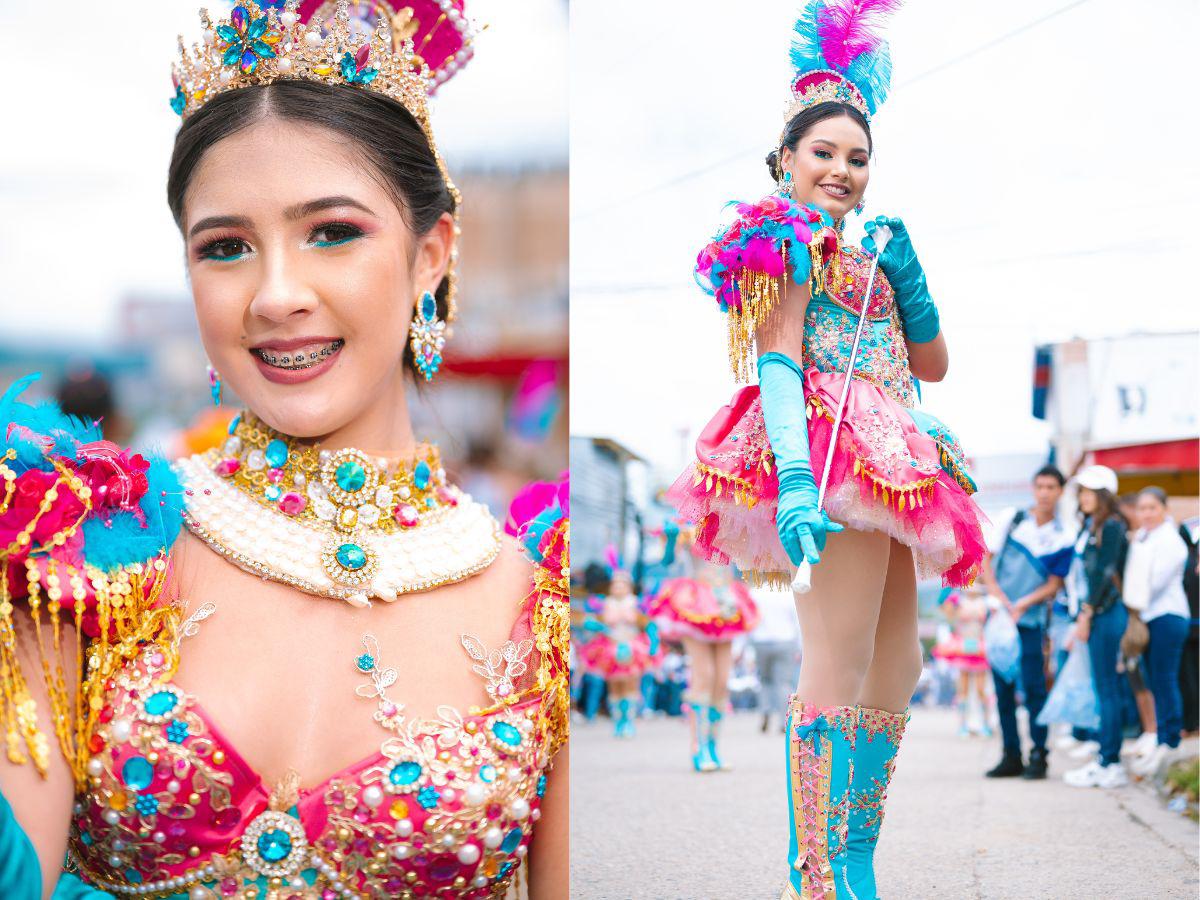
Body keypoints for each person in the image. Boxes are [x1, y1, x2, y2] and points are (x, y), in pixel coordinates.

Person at [0, 3, 569, 897]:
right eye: (225, 247)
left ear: (430, 257)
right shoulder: (77, 554)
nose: (274, 295)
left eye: (332, 232)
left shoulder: (540, 606)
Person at [665, 2, 987, 894]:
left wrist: (910, 280)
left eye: (857, 157)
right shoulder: (781, 240)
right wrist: (799, 482)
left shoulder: (876, 250)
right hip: (829, 452)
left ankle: (855, 858)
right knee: (836, 660)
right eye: (824, 153)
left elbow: (934, 366)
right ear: (785, 159)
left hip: (895, 450)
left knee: (902, 662)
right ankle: (815, 875)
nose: (842, 169)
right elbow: (775, 362)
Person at [981, 464, 1074, 780]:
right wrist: (1002, 601)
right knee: (1003, 690)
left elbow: (1054, 583)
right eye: (1040, 486)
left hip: (1031, 622)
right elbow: (986, 562)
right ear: (1033, 488)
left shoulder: (1063, 536)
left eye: (1051, 487)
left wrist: (1022, 604)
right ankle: (1010, 755)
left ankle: (1039, 755)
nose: (1045, 493)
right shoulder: (1013, 519)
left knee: (1035, 690)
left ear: (1060, 492)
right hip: (999, 619)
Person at [646, 552, 759, 773]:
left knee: (721, 681)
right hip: (696, 601)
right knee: (704, 676)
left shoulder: (734, 522)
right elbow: (669, 560)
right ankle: (699, 749)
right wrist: (671, 539)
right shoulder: (690, 524)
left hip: (725, 601)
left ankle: (713, 747)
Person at [1064, 465, 1131, 789]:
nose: (1084, 496)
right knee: (1103, 688)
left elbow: (1105, 573)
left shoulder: (1113, 526)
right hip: (1098, 613)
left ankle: (1111, 762)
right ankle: (1106, 758)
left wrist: (1087, 613)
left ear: (1104, 495)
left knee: (1107, 689)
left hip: (1106, 613)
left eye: (1090, 491)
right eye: (1082, 491)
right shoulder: (1092, 525)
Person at [1125, 487, 1191, 776]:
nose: (1147, 514)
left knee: (1165, 679)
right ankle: (1161, 738)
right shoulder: (1142, 537)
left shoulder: (1171, 540)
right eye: (1142, 508)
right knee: (1153, 679)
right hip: (1148, 618)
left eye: (1152, 508)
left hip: (1168, 616)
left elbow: (1154, 582)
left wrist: (1131, 600)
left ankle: (1171, 740)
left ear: (1164, 509)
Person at [577, 572, 660, 738]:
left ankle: (628, 720)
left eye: (621, 584)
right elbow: (594, 622)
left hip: (632, 647)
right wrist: (594, 625)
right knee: (614, 685)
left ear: (628, 586)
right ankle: (618, 721)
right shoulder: (605, 604)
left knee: (631, 684)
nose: (618, 587)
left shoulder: (636, 603)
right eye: (615, 584)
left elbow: (649, 624)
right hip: (610, 648)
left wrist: (653, 643)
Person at [932, 588, 993, 737]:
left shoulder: (987, 601)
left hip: (979, 647)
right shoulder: (957, 600)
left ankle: (985, 724)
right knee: (962, 690)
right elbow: (945, 610)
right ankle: (963, 725)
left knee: (981, 690)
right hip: (963, 647)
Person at [750, 587, 803, 734]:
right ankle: (784, 720)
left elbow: (750, 619)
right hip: (785, 641)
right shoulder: (788, 593)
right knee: (784, 683)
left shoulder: (756, 593)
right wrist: (799, 647)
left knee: (764, 681)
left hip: (761, 641)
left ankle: (765, 712)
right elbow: (797, 622)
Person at [1179, 516, 1199, 737]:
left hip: (1189, 623)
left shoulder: (1185, 563)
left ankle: (1191, 721)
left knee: (1188, 675)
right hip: (1193, 623)